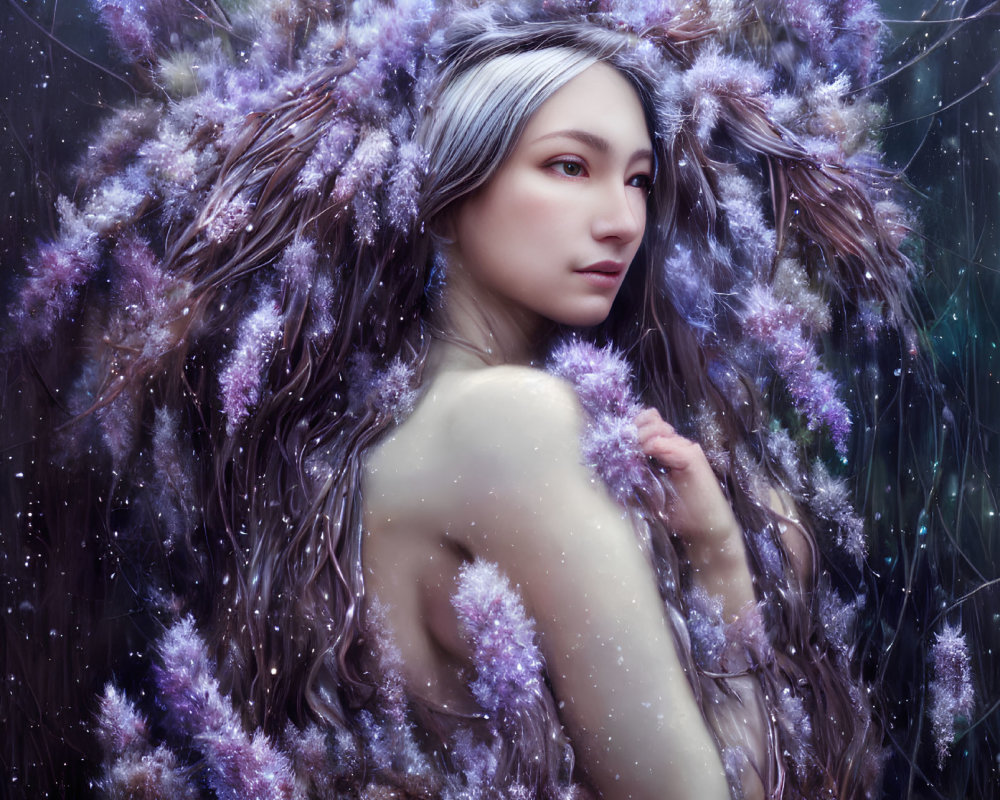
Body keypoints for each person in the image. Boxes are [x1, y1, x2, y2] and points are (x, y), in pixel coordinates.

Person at [3, 1, 915, 798]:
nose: (621, 218)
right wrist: (720, 558)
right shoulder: (511, 422)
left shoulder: (385, 433)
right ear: (443, 198)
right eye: (569, 166)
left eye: (637, 178)